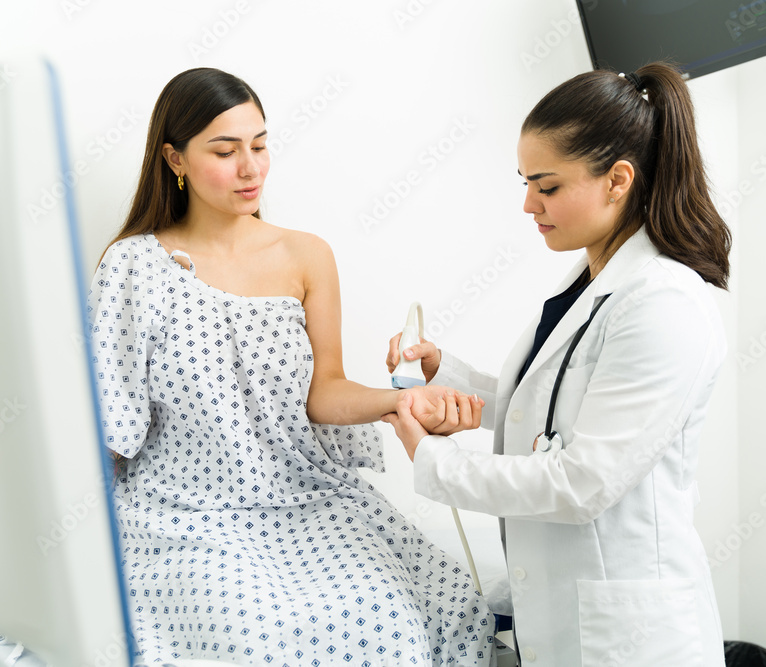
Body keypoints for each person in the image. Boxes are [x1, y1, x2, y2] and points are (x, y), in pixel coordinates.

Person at [87, 67, 494, 665]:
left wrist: (396, 402)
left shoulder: (306, 255)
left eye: (259, 144)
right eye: (225, 151)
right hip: (184, 511)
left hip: (303, 497)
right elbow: (111, 426)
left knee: (385, 621)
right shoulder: (132, 267)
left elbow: (322, 392)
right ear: (175, 159)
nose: (250, 168)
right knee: (256, 634)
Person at [384, 62, 731, 666]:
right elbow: (548, 419)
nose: (527, 205)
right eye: (524, 183)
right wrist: (449, 377)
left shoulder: (665, 305)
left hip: (630, 641)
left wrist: (434, 458)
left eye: (546, 187)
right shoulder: (588, 287)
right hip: (565, 624)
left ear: (618, 180)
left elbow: (581, 480)